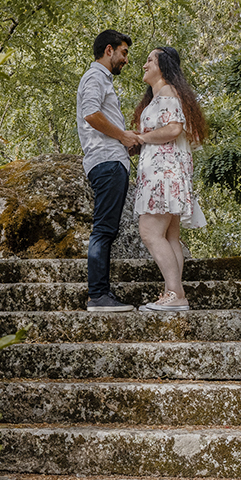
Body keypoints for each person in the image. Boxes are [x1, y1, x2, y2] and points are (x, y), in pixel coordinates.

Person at [131, 46, 208, 311]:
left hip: (162, 174)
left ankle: (175, 294)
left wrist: (141, 138)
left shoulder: (166, 92)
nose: (144, 65)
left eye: (149, 60)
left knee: (150, 232)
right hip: (167, 172)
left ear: (163, 65)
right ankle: (172, 294)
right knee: (170, 237)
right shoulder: (161, 96)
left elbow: (174, 129)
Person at [77, 29, 142, 312]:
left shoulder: (101, 80)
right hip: (106, 162)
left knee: (107, 229)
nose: (126, 60)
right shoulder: (95, 77)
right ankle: (98, 295)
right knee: (104, 229)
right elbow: (90, 114)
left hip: (111, 158)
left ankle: (101, 294)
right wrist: (123, 136)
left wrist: (125, 140)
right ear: (109, 50)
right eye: (124, 52)